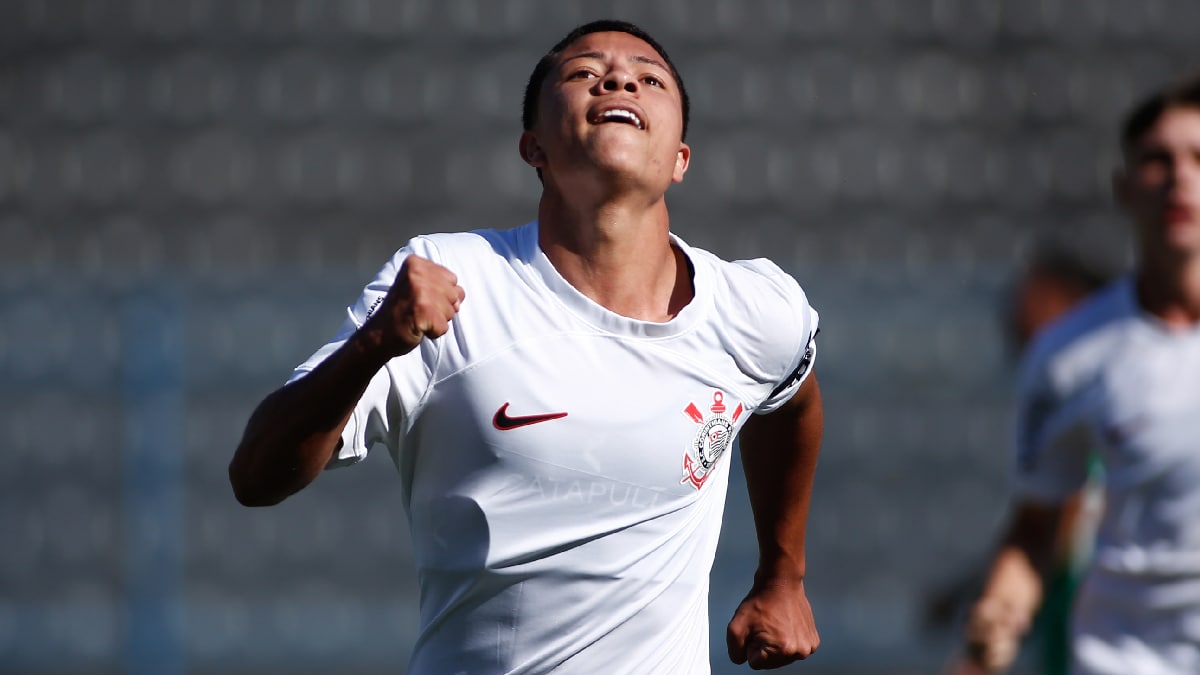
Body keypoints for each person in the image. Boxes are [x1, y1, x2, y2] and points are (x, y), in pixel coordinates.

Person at [229, 20, 823, 674]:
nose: (619, 78)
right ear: (532, 146)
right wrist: (373, 343)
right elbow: (256, 475)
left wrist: (782, 576)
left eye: (648, 77)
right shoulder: (450, 279)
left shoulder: (753, 309)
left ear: (681, 157)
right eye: (582, 73)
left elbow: (791, 401)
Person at [956, 73, 1200, 674]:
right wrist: (1000, 611)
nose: (1180, 177)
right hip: (1126, 658)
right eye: (1157, 160)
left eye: (1199, 156)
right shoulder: (1071, 354)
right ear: (1124, 187)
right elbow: (1036, 526)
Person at [926, 248, 1113, 674]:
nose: (1015, 318)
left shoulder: (1093, 402)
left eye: (1033, 302)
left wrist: (981, 648)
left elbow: (1053, 530)